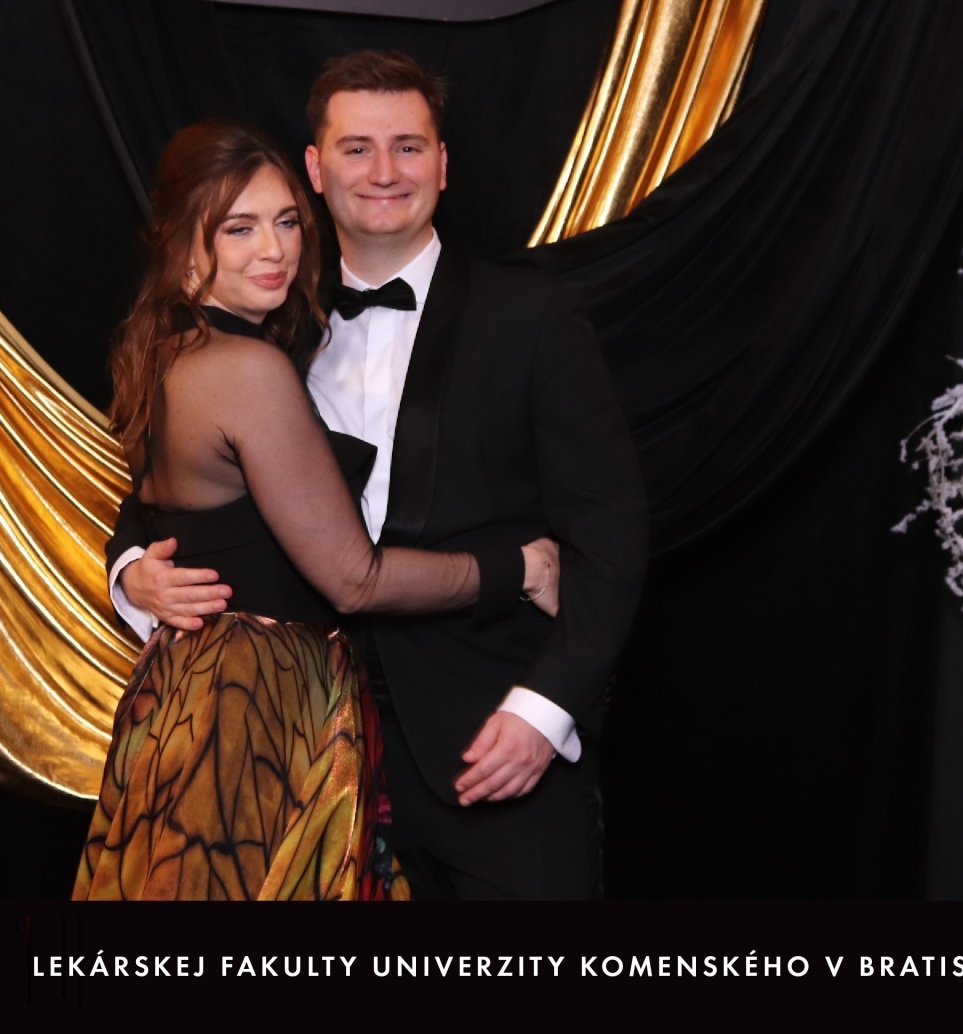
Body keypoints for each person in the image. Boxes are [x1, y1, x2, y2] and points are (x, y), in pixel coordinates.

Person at [112, 51, 648, 899]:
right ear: (317, 168)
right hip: (305, 751)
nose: (385, 172)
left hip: (493, 741)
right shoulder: (268, 313)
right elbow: (170, 490)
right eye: (357, 148)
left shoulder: (532, 315)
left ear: (444, 162)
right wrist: (134, 572)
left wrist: (545, 710)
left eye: (408, 146)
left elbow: (612, 532)